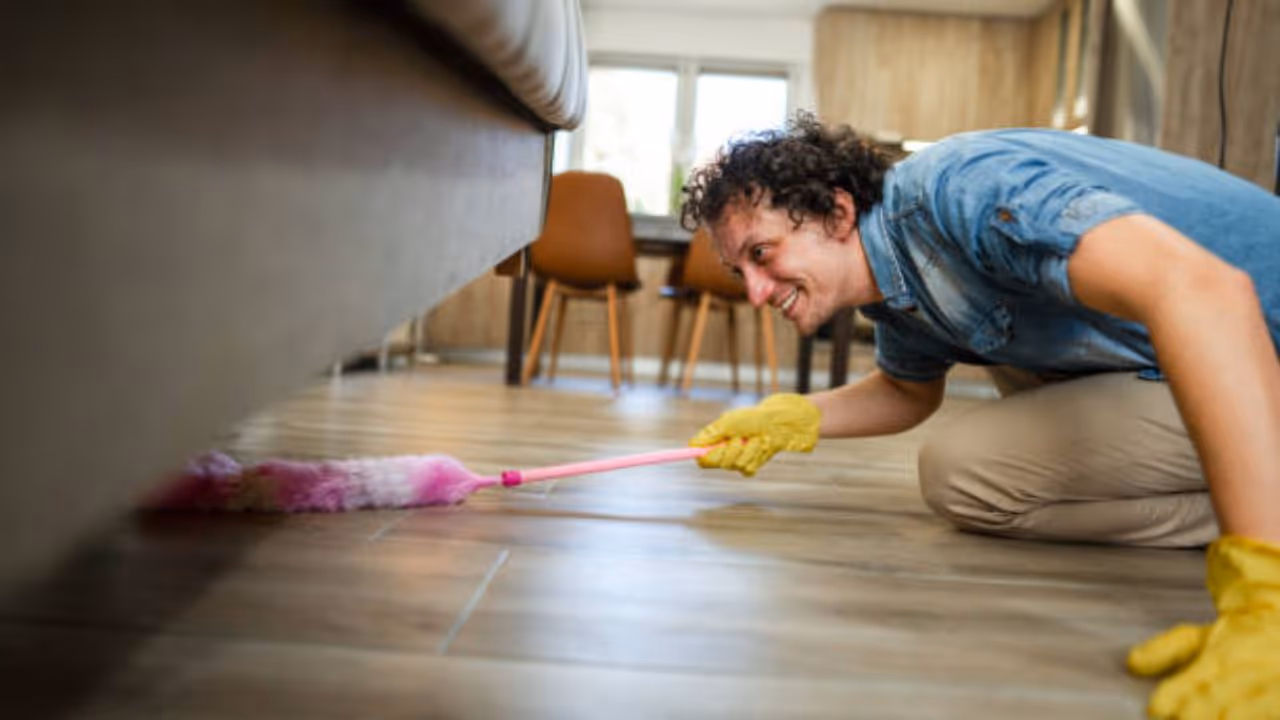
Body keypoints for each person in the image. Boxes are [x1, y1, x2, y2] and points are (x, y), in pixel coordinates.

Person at [682, 112, 1280, 720]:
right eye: (741, 271)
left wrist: (1265, 601)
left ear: (837, 214)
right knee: (974, 474)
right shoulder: (895, 284)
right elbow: (907, 392)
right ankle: (1258, 501)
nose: (755, 291)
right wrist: (791, 417)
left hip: (1251, 344)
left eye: (762, 253)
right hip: (1199, 351)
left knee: (964, 466)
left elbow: (1207, 292)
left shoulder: (963, 191)